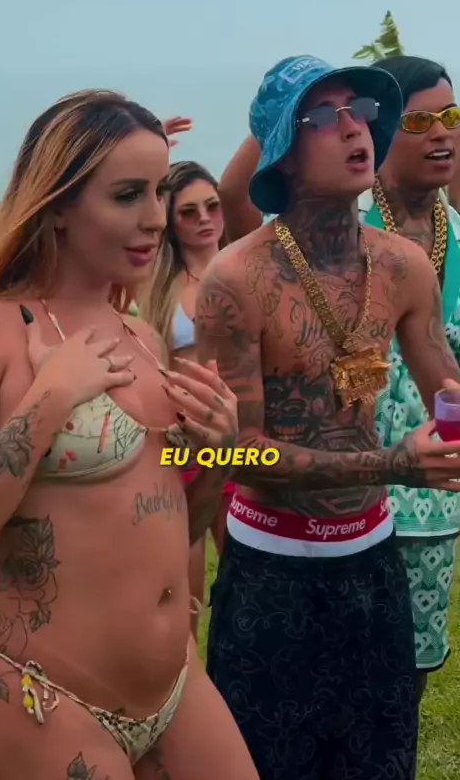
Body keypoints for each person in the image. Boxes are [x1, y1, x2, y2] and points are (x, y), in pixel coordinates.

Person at [0, 89, 259, 780]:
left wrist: (220, 452)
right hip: (44, 696)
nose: (156, 218)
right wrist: (49, 400)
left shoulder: (139, 335)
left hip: (174, 684)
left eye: (158, 191)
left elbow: (180, 519)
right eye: (128, 195)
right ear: (58, 204)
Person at [195, 54, 460, 780]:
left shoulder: (403, 266)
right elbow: (232, 453)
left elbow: (448, 393)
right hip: (271, 573)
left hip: (373, 566)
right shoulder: (236, 280)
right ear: (283, 149)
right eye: (324, 116)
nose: (353, 129)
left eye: (361, 111)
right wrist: (395, 464)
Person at [358, 55, 460, 698]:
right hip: (347, 498)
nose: (441, 132)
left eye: (450, 115)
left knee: (408, 684)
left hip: (436, 507)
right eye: (420, 121)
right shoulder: (340, 236)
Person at [141, 161, 232, 637]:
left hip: (240, 444)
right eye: (189, 212)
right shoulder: (157, 283)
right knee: (184, 597)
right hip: (181, 446)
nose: (204, 219)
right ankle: (184, 677)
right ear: (170, 222)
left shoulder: (246, 270)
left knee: (243, 584)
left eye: (212, 206)